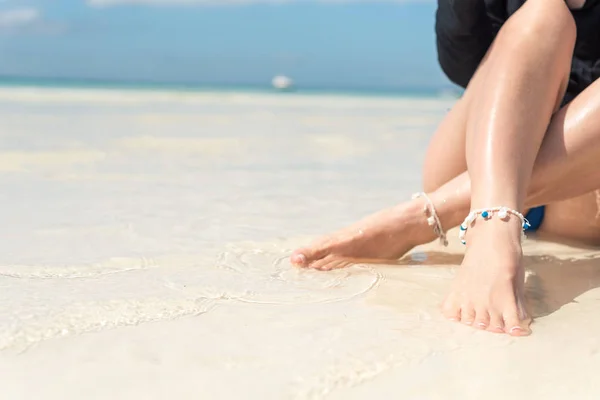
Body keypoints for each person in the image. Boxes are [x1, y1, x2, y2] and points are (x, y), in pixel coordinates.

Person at [290, 0, 600, 336]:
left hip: (581, 189)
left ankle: (430, 216)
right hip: (480, 165)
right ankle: (487, 221)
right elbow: (462, 66)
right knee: (544, 13)